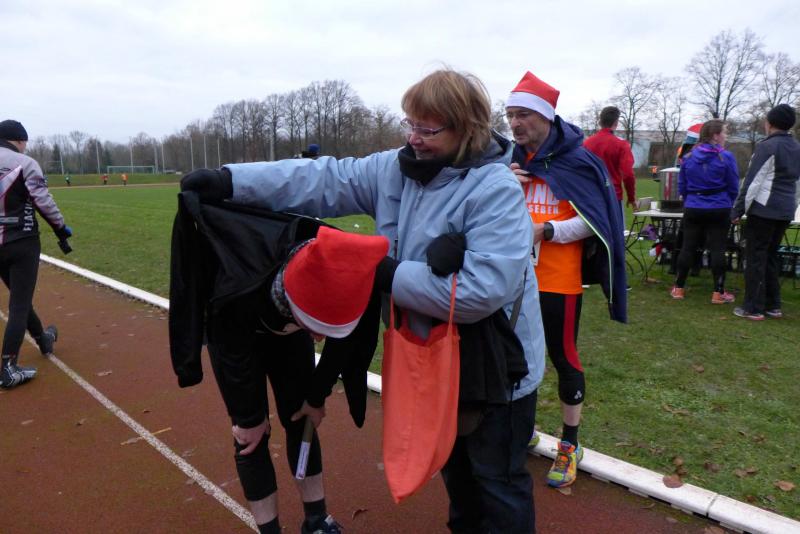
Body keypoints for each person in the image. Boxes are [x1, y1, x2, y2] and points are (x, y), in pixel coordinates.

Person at [181, 68, 546, 533]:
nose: (413, 137)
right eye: (409, 123)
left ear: (466, 128)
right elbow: (321, 178)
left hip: (495, 366)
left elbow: (480, 291)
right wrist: (230, 181)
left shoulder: (494, 188)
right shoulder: (394, 169)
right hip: (432, 357)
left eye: (427, 129)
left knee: (497, 483)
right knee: (459, 481)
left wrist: (387, 272)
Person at [171, 206, 391, 534]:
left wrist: (316, 396)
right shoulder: (232, 296)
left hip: (283, 314)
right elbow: (229, 349)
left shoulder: (339, 275)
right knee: (250, 436)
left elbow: (343, 344)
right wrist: (248, 416)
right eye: (315, 327)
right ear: (294, 309)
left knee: (301, 417)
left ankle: (316, 519)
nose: (319, 338)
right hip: (234, 329)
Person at [505, 71, 627, 489]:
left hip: (558, 281)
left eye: (523, 114)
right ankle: (523, 430)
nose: (515, 123)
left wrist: (547, 230)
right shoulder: (508, 161)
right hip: (512, 279)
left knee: (563, 358)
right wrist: (503, 184)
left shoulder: (579, 161)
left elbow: (595, 221)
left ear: (545, 116)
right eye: (510, 115)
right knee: (515, 358)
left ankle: (570, 444)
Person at [0, 119, 71, 389]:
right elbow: (43, 201)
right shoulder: (25, 162)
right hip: (22, 240)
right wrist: (61, 228)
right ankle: (8, 367)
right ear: (19, 140)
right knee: (19, 303)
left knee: (21, 298)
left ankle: (43, 339)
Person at [731, 103, 800, 320]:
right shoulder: (796, 147)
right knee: (770, 256)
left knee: (756, 257)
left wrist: (738, 210)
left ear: (769, 123)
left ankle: (753, 307)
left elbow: (752, 182)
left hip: (764, 210)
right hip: (785, 210)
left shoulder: (767, 147)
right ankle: (773, 305)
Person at [669, 120, 739, 303]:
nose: (726, 136)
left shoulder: (688, 157)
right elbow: (733, 185)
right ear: (715, 135)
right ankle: (718, 292)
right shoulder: (726, 157)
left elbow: (682, 185)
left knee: (688, 247)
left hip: (694, 206)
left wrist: (690, 199)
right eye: (724, 132)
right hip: (719, 207)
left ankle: (679, 288)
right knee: (718, 248)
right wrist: (729, 202)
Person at [584, 106, 636, 228]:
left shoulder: (586, 144)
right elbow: (628, 174)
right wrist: (631, 197)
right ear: (616, 122)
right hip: (612, 197)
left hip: (590, 197)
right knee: (616, 234)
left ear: (600, 122)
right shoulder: (621, 144)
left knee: (593, 233)